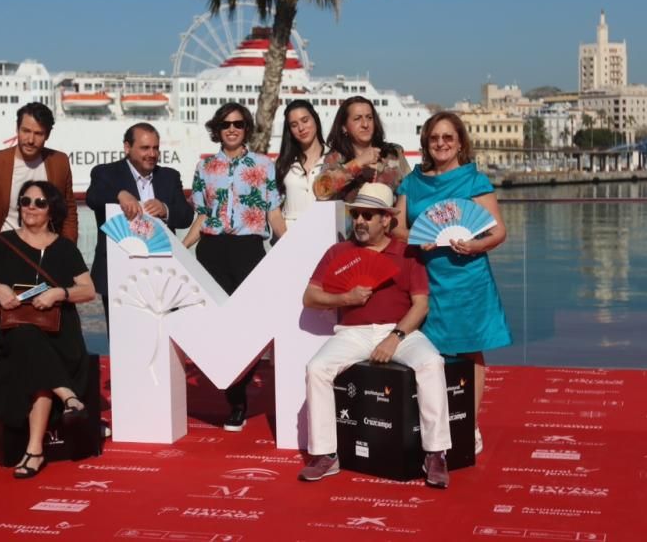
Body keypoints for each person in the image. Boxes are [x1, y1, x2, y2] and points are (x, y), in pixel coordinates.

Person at [298, 182, 451, 488]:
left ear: (386, 220)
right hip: (352, 332)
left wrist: (395, 336)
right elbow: (310, 297)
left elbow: (421, 306)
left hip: (400, 330)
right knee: (317, 368)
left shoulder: (408, 253)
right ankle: (326, 455)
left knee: (432, 362)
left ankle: (435, 453)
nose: (360, 221)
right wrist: (345, 299)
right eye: (356, 214)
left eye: (369, 215)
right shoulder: (338, 251)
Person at [0, 180, 95, 479]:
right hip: (8, 333)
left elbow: (88, 290)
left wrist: (59, 293)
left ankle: (36, 450)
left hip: (59, 335)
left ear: (51, 210)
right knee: (26, 339)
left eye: (39, 202)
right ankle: (67, 397)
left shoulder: (64, 248)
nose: (30, 207)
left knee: (34, 350)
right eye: (25, 201)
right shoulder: (3, 242)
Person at [396, 111, 511, 456]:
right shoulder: (412, 182)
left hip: (467, 278)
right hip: (424, 277)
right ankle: (432, 425)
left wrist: (475, 245)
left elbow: (498, 231)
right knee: (428, 353)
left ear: (460, 142)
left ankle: (469, 425)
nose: (442, 143)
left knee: (470, 350)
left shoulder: (474, 181)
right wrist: (418, 240)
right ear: (426, 143)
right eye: (435, 138)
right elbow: (397, 228)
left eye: (448, 137)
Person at [182, 102, 285, 432]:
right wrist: (180, 251)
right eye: (226, 124)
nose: (232, 129)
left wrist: (291, 247)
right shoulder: (205, 168)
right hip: (212, 251)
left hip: (248, 249)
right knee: (218, 325)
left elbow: (273, 213)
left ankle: (242, 380)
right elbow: (201, 215)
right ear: (217, 127)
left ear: (247, 128)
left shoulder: (263, 165)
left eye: (239, 124)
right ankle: (237, 399)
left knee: (251, 324)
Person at [86, 122, 194, 327]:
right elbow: (93, 197)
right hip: (119, 274)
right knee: (123, 341)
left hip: (162, 275)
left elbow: (186, 216)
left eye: (155, 148)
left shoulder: (170, 176)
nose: (152, 154)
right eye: (145, 148)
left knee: (165, 337)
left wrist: (165, 209)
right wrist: (119, 194)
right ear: (127, 148)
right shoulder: (105, 173)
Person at [0, 102, 78, 247]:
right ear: (17, 129)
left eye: (38, 133)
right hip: (2, 253)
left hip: (47, 254)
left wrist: (67, 247)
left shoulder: (59, 162)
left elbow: (69, 209)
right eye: (26, 131)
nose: (30, 140)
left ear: (48, 135)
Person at [313, 95, 410, 204]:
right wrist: (358, 163)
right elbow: (320, 191)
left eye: (369, 117)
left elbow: (412, 191)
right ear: (344, 127)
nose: (365, 124)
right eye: (357, 119)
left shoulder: (393, 154)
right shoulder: (335, 158)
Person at [274, 99, 326, 225]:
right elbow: (274, 209)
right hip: (290, 238)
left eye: (305, 120)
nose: (301, 128)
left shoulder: (335, 158)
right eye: (294, 125)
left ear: (315, 119)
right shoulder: (283, 164)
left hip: (327, 236)